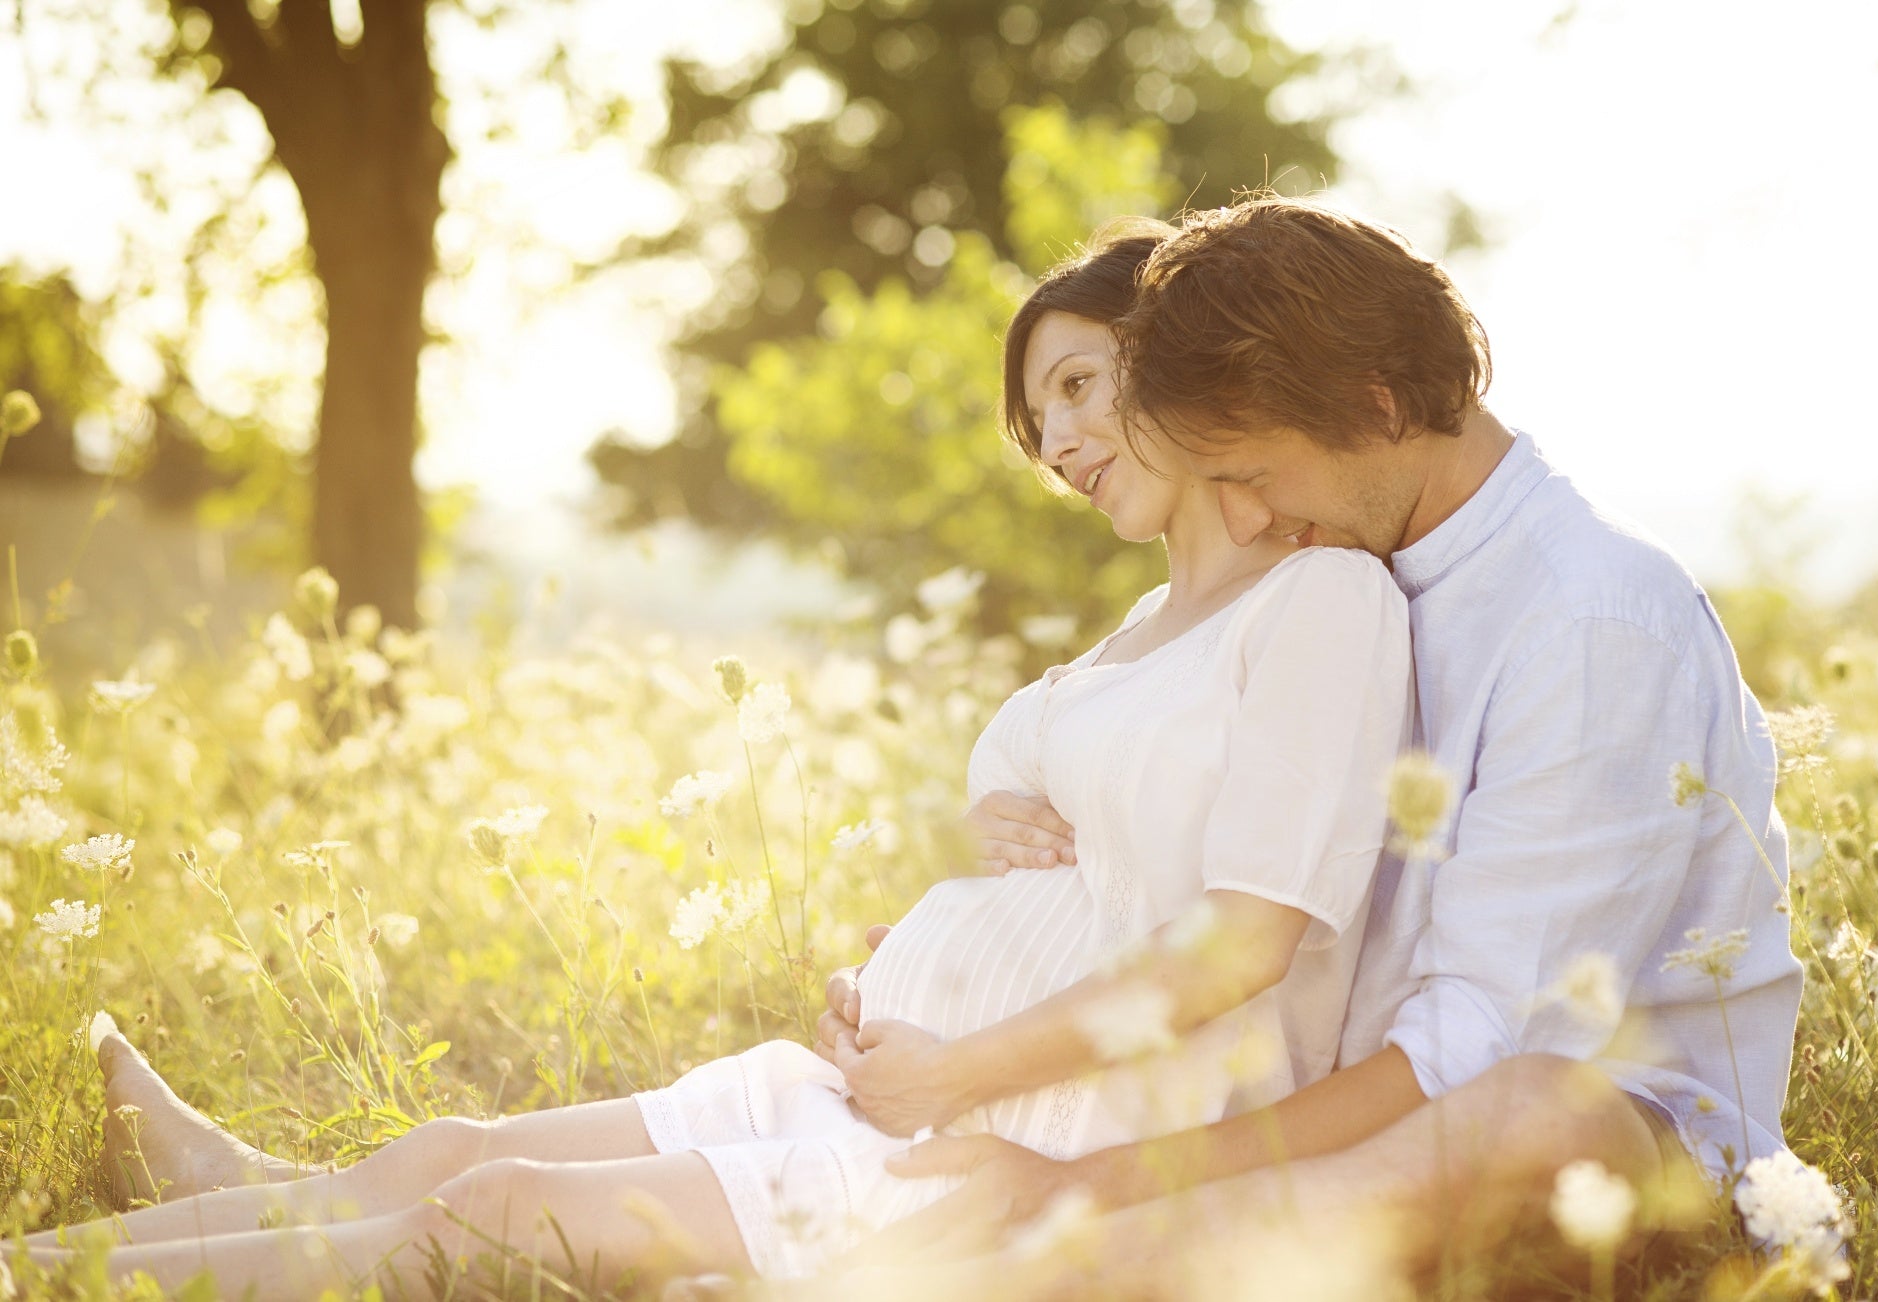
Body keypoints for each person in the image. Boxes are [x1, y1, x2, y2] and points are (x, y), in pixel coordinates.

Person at [22, 227, 1413, 1296]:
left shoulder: (1325, 602)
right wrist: (982, 846)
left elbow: (1240, 946)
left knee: (485, 1210)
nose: (1053, 442)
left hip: (1009, 1139)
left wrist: (956, 1068)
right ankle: (208, 1196)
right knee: (458, 1150)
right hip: (904, 1082)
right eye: (1035, 414)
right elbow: (1035, 760)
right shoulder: (1143, 623)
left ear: (1174, 359)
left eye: (1077, 387)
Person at [820, 195, 1803, 1290]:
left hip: (1590, 1144)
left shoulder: (1588, 618)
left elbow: (1477, 1048)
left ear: (1374, 404)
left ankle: (1044, 1266)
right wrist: (982, 947)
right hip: (1324, 1103)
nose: (1241, 522)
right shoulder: (1354, 575)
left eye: (1248, 476)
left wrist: (1090, 1183)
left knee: (1534, 1117)